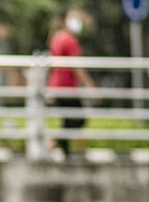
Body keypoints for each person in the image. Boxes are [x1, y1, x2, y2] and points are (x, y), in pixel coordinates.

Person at [47, 8, 96, 158]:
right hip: (65, 87)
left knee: (68, 119)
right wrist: (90, 86)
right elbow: (77, 66)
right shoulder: (68, 40)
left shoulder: (56, 37)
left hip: (57, 86)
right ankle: (52, 143)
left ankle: (61, 150)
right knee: (78, 118)